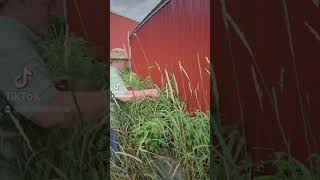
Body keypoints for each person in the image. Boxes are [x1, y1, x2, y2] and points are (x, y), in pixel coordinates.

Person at [0, 0, 108, 179]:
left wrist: (44, 84)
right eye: (47, 4)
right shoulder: (8, 38)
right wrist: (113, 99)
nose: (54, 12)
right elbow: (52, 112)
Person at [110, 48, 159, 162]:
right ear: (117, 61)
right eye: (125, 61)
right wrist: (150, 92)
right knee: (113, 158)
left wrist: (128, 89)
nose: (127, 64)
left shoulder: (113, 73)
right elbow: (125, 97)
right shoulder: (113, 75)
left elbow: (115, 91)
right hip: (111, 123)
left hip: (111, 121)